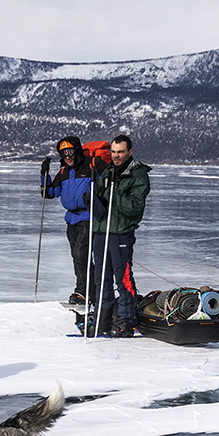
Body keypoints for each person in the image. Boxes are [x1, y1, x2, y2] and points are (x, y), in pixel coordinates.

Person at [89, 135, 151, 338]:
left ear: (130, 152)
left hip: (121, 234)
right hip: (101, 231)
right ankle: (102, 319)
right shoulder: (107, 171)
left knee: (123, 279)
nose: (116, 156)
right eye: (114, 152)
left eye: (121, 152)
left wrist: (111, 193)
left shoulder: (138, 174)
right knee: (101, 280)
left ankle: (126, 320)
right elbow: (102, 203)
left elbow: (134, 207)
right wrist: (95, 196)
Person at [43, 137, 98, 306]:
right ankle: (88, 290)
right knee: (77, 257)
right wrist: (43, 175)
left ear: (77, 151)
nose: (67, 156)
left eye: (70, 152)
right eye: (63, 153)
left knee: (81, 255)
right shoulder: (64, 172)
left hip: (89, 217)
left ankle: (85, 292)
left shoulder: (91, 166)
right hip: (71, 219)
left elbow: (107, 181)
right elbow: (49, 193)